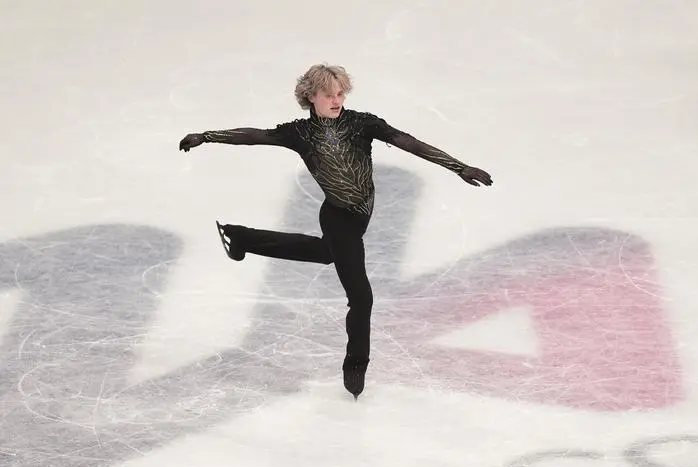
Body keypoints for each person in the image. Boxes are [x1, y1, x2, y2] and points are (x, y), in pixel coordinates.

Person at [178, 64, 493, 400]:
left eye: (341, 93)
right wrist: (207, 136)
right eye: (328, 94)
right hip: (338, 216)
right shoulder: (300, 134)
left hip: (362, 214)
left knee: (326, 253)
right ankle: (355, 366)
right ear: (310, 96)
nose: (336, 99)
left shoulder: (362, 124)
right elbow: (254, 135)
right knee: (362, 297)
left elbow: (411, 144)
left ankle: (243, 237)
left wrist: (459, 167)